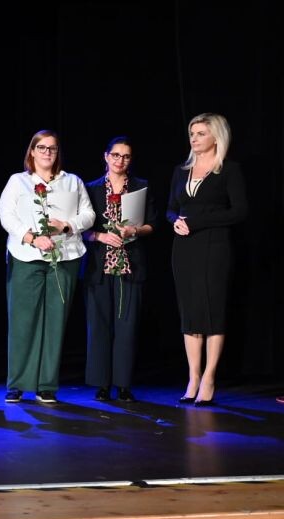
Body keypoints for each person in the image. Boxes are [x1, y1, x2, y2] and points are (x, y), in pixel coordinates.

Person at [0, 130, 94, 404]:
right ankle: (17, 383)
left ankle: (46, 385)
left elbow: (88, 214)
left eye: (52, 148)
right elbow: (7, 216)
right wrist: (31, 238)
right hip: (26, 256)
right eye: (41, 147)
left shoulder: (72, 181)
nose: (47, 153)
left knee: (55, 322)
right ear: (32, 151)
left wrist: (67, 225)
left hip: (64, 257)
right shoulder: (18, 181)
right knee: (23, 321)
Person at [167, 113, 247, 405]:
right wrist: (175, 221)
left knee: (212, 312)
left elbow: (239, 211)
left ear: (216, 137)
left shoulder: (229, 170)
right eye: (192, 133)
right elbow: (170, 208)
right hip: (184, 249)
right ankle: (194, 377)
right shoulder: (181, 171)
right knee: (190, 313)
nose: (194, 138)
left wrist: (198, 221)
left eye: (201, 133)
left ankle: (210, 378)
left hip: (214, 247)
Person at [83, 137, 155, 403]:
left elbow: (152, 224)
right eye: (115, 155)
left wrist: (134, 230)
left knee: (127, 326)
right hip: (98, 265)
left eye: (125, 156)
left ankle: (123, 384)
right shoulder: (90, 188)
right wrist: (99, 236)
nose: (120, 160)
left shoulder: (140, 186)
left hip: (130, 264)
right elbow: (79, 229)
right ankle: (101, 384)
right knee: (99, 326)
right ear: (106, 156)